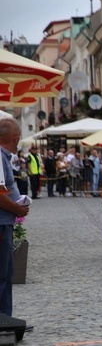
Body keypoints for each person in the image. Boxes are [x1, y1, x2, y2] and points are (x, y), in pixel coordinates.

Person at [0, 118, 30, 316]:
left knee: (6, 274)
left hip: (5, 223)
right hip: (1, 223)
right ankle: (3, 320)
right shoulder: (0, 157)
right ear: (15, 137)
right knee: (2, 275)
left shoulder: (4, 156)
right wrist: (17, 209)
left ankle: (6, 318)